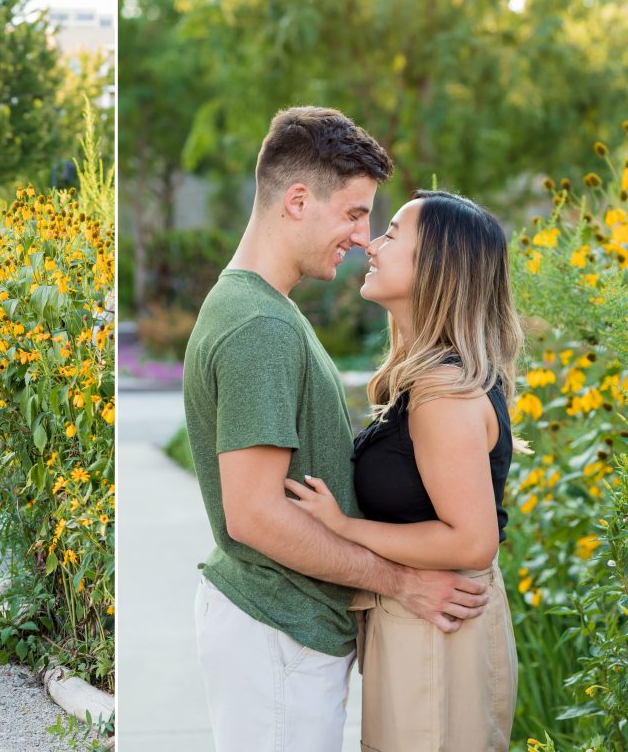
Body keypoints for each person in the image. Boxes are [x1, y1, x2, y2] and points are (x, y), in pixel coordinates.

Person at [183, 107, 491, 751]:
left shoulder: (268, 312)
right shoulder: (259, 326)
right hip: (276, 629)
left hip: (287, 632)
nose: (362, 236)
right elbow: (255, 516)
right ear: (298, 200)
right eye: (354, 213)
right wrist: (401, 581)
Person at [283, 190, 521, 751]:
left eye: (392, 233)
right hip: (428, 626)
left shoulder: (443, 394)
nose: (371, 242)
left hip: (440, 635)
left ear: (436, 266)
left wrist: (342, 527)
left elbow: (472, 541)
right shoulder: (425, 382)